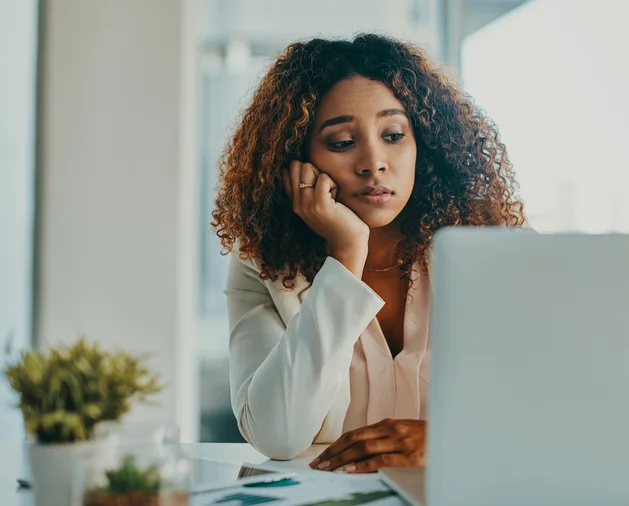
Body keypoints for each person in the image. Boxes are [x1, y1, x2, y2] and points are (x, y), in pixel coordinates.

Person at [212, 33, 526, 473]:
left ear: (426, 145)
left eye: (394, 134)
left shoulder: (497, 249)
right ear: (295, 161)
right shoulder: (264, 264)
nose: (373, 162)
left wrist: (453, 442)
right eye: (341, 142)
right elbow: (278, 434)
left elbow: (564, 406)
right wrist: (345, 254)